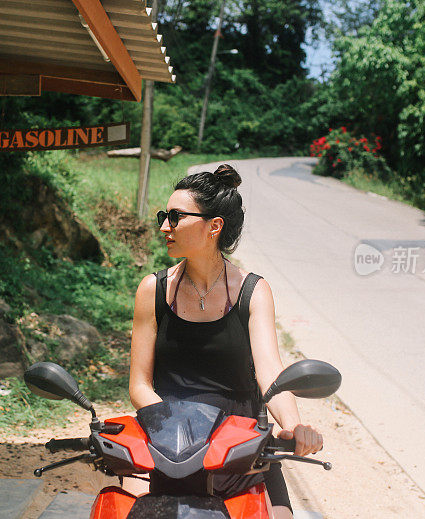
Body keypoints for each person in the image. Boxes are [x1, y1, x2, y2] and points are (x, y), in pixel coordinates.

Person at [128, 163, 323, 518]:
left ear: (213, 226)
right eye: (163, 215)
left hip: (243, 455)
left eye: (174, 217)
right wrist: (172, 432)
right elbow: (140, 385)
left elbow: (270, 373)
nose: (163, 226)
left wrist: (292, 427)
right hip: (171, 452)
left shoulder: (253, 291)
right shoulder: (152, 290)